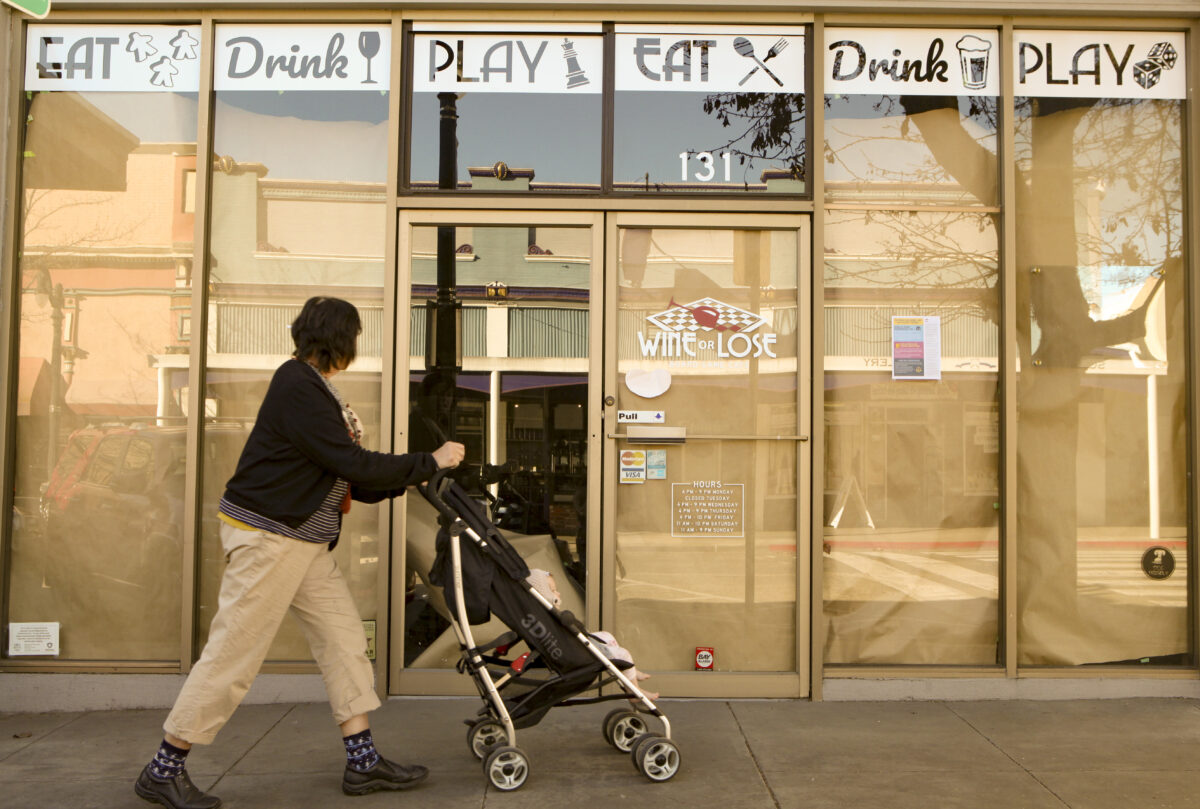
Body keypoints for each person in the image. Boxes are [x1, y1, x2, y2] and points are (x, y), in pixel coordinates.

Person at [134, 297, 465, 809]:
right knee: (234, 653)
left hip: (303, 542)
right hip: (270, 539)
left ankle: (363, 763)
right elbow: (348, 460)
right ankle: (163, 768)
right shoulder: (297, 386)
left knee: (344, 641)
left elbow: (348, 473)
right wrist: (428, 460)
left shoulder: (315, 388)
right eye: (355, 336)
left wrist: (414, 473)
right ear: (340, 338)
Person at [525, 569, 658, 701]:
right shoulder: (550, 618)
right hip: (580, 653)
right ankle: (635, 691)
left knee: (606, 635)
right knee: (624, 654)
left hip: (579, 645)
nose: (558, 593)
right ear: (543, 595)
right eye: (553, 591)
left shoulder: (541, 617)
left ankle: (631, 672)